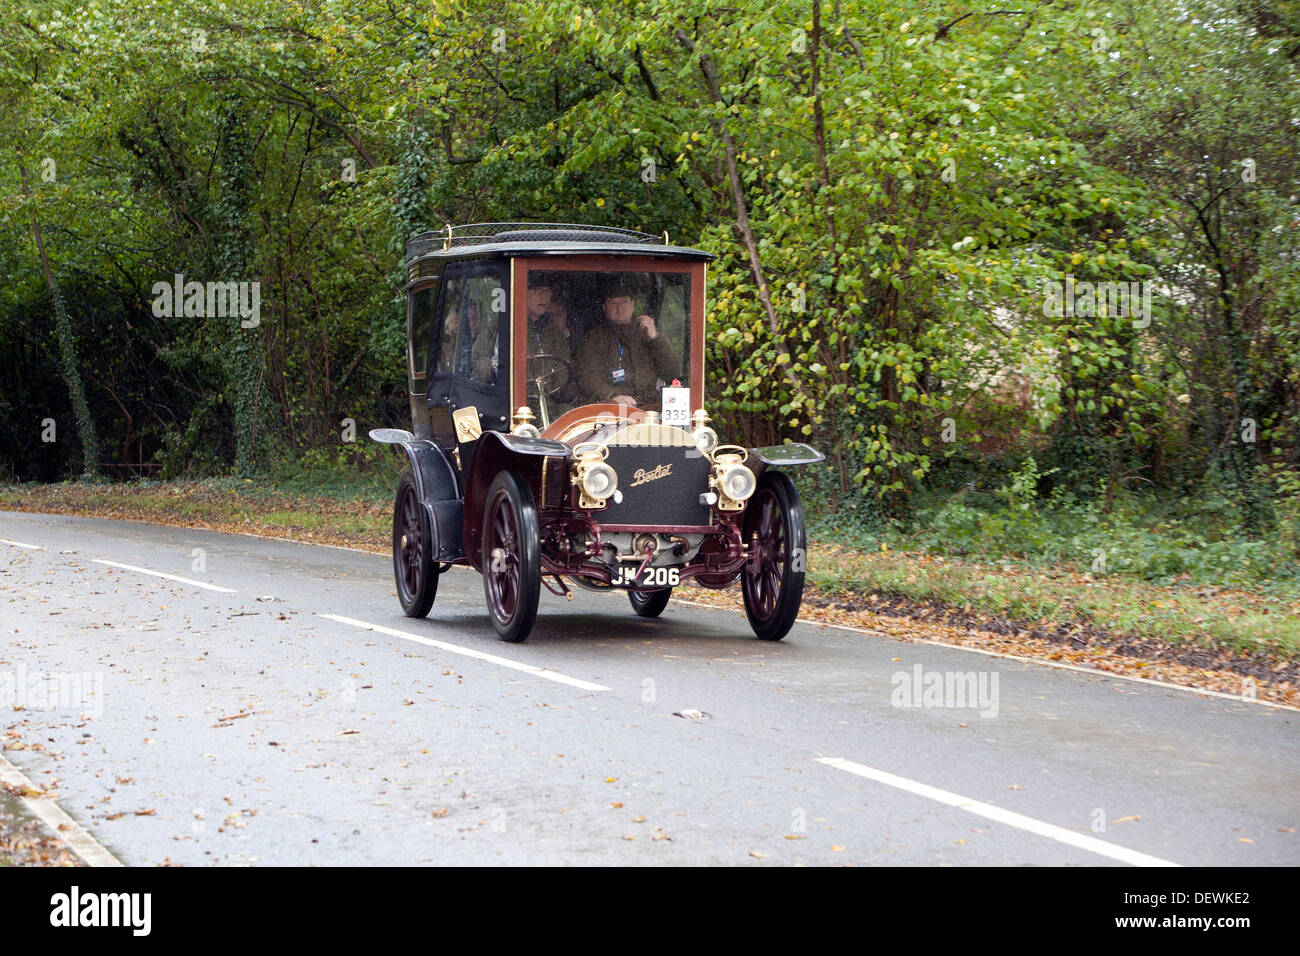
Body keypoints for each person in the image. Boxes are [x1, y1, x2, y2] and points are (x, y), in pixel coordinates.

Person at [578, 280, 680, 408]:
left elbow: (672, 372)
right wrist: (612, 396)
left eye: (624, 301)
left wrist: (655, 338)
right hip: (613, 407)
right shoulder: (594, 338)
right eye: (613, 303)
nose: (619, 308)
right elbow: (588, 378)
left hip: (651, 406)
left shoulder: (647, 332)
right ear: (604, 307)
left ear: (633, 305)